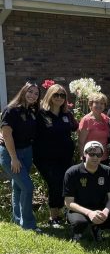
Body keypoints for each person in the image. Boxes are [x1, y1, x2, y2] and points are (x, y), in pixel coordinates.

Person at [63, 141, 110, 242]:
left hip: (99, 207)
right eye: (91, 154)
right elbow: (68, 202)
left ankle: (97, 228)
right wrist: (89, 213)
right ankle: (77, 232)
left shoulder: (108, 171)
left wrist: (105, 212)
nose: (95, 157)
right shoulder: (72, 172)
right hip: (78, 209)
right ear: (85, 154)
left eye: (98, 155)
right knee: (80, 223)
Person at [33, 83, 78, 228]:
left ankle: (64, 213)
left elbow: (78, 128)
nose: (59, 98)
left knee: (64, 184)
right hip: (45, 158)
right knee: (54, 183)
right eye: (56, 95)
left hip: (65, 158)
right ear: (49, 96)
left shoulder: (67, 115)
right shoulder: (40, 113)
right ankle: (53, 217)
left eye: (62, 95)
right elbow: (25, 126)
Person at [0, 82, 42, 232]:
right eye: (30, 92)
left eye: (36, 94)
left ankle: (18, 220)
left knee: (18, 187)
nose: (32, 95)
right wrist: (14, 158)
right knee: (27, 187)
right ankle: (29, 225)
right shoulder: (10, 110)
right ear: (23, 91)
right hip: (11, 153)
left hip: (27, 151)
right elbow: (6, 135)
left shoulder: (31, 111)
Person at [78, 92, 110, 162]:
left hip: (104, 158)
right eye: (97, 103)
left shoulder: (106, 119)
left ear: (104, 106)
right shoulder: (86, 120)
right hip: (90, 159)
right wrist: (83, 158)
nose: (99, 105)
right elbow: (81, 143)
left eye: (102, 103)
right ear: (91, 104)